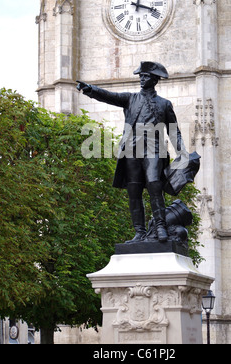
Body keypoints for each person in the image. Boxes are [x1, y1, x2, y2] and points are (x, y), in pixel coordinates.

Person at [77, 61, 188, 243]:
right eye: (141, 76)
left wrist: (182, 154)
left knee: (154, 183)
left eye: (146, 76)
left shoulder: (164, 104)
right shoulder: (130, 99)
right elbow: (109, 96)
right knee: (134, 190)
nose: (142, 79)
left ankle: (160, 226)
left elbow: (173, 131)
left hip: (154, 148)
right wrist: (90, 89)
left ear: (155, 80)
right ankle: (139, 231)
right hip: (131, 149)